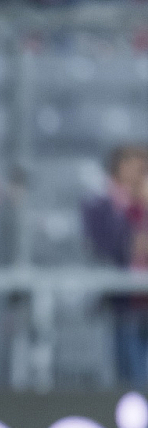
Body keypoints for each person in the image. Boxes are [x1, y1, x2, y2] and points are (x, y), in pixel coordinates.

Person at [83, 145, 148, 386]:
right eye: (131, 165)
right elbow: (108, 248)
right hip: (124, 305)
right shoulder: (101, 205)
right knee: (132, 381)